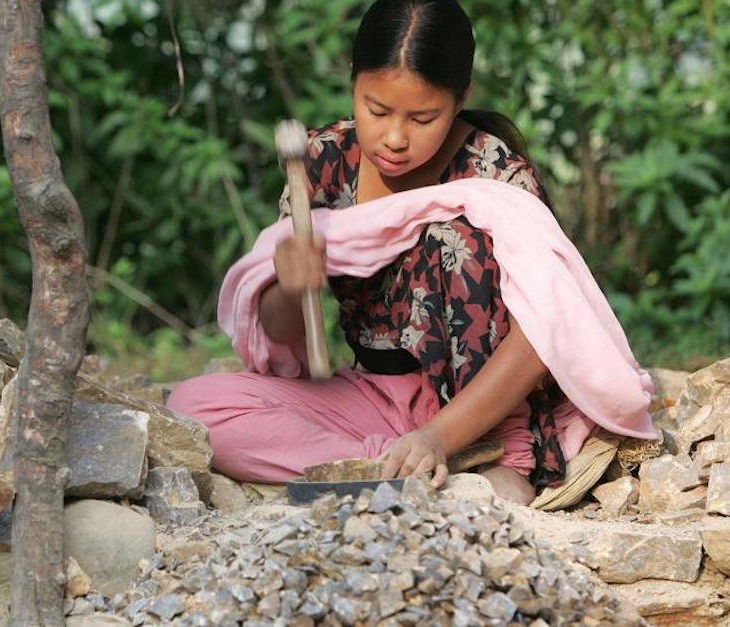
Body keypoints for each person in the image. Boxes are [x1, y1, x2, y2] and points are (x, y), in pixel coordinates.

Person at [167, 0, 650, 504]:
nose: (394, 138)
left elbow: (542, 335)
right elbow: (283, 334)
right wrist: (291, 288)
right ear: (353, 82)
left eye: (423, 117)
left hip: (486, 416)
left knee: (455, 240)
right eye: (376, 110)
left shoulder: (495, 174)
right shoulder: (325, 162)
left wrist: (440, 436)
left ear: (460, 98)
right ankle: (387, 467)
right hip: (374, 396)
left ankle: (483, 465)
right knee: (197, 407)